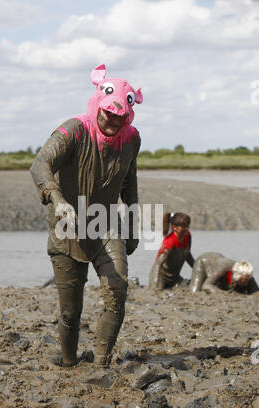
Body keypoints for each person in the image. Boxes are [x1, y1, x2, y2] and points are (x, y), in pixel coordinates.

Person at [30, 64, 143, 367]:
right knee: (70, 310)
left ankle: (102, 363)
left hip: (106, 224)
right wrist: (56, 199)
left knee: (117, 291)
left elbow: (129, 184)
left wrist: (132, 227)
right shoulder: (73, 130)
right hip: (68, 224)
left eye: (121, 117)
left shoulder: (131, 139)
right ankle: (68, 363)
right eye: (109, 114)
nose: (113, 121)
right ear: (99, 106)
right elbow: (39, 164)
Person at [149, 212, 194, 290]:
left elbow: (188, 256)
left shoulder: (187, 236)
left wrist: (198, 270)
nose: (187, 229)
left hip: (175, 278)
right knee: (158, 291)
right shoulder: (169, 243)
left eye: (187, 226)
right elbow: (158, 264)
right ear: (174, 227)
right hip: (160, 276)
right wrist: (155, 285)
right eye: (183, 227)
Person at [190, 252, 258, 294]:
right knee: (194, 292)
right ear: (237, 276)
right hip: (204, 262)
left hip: (220, 262)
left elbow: (256, 293)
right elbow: (206, 286)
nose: (247, 283)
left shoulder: (248, 276)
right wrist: (224, 294)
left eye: (248, 280)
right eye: (244, 281)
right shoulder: (224, 268)